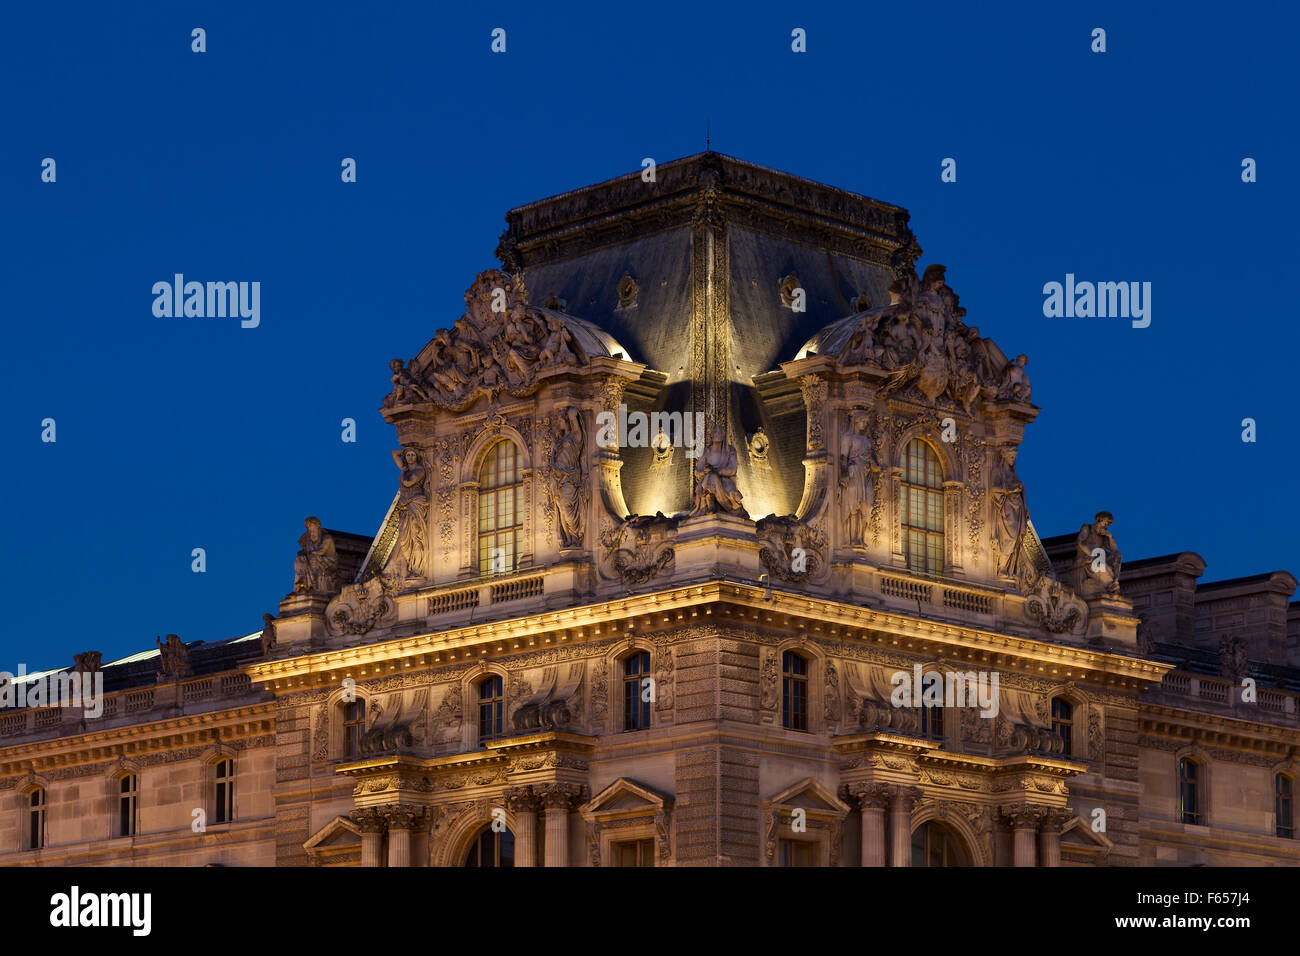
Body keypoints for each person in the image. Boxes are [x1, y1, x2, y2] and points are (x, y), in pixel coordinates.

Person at [690, 426, 746, 516]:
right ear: (711, 435)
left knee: (713, 476)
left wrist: (717, 471)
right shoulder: (705, 451)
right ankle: (710, 501)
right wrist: (704, 471)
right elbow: (698, 471)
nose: (717, 433)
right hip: (707, 479)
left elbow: (732, 470)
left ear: (724, 435)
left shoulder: (730, 450)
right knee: (711, 476)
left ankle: (710, 500)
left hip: (725, 480)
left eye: (720, 432)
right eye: (715, 431)